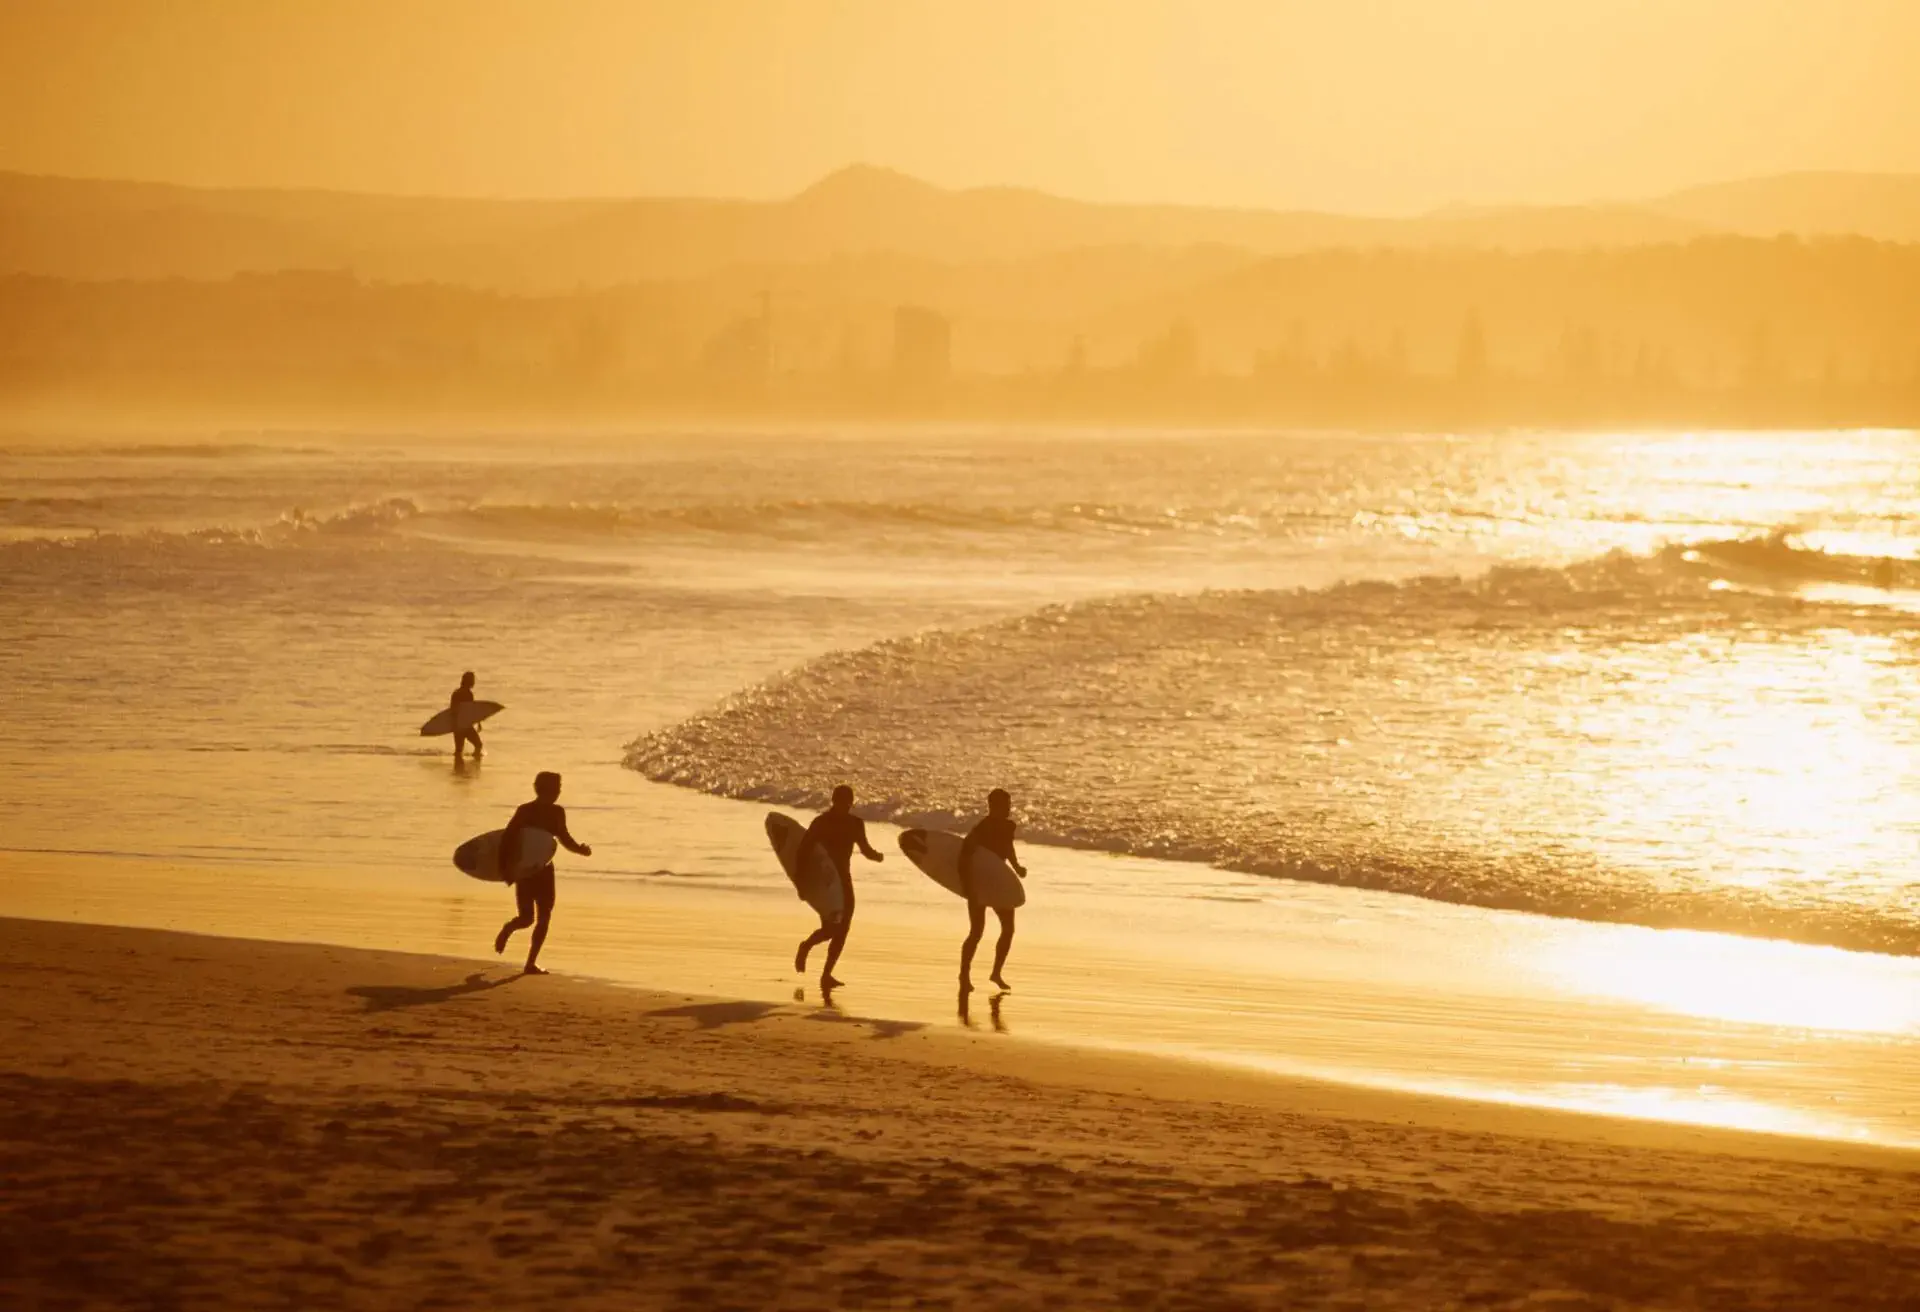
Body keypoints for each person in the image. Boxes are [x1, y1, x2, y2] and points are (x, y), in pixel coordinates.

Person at [493, 771, 591, 975]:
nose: (558, 792)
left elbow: (564, 838)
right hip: (525, 871)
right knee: (526, 919)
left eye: (559, 788)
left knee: (544, 917)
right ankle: (509, 928)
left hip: (545, 869)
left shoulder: (557, 812)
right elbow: (508, 839)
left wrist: (580, 849)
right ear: (543, 789)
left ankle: (530, 963)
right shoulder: (525, 811)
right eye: (556, 788)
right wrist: (506, 869)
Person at [792, 784, 883, 990]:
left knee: (843, 929)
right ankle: (806, 946)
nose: (845, 806)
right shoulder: (821, 823)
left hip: (844, 881)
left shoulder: (855, 824)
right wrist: (801, 882)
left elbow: (865, 849)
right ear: (834, 801)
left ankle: (826, 974)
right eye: (841, 802)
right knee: (831, 928)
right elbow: (803, 851)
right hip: (825, 883)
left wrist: (876, 856)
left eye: (848, 803)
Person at [958, 788, 1027, 993]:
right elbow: (965, 855)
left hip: (1000, 883)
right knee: (977, 931)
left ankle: (996, 972)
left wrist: (1016, 867)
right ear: (992, 807)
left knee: (1008, 930)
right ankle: (964, 974)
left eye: (1009, 804)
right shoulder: (982, 827)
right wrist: (968, 886)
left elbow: (1008, 848)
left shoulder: (1009, 826)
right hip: (979, 884)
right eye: (1005, 805)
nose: (1009, 809)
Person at [450, 671, 484, 761]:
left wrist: (478, 722)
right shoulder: (465, 694)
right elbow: (470, 710)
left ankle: (459, 768)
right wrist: (478, 722)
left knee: (459, 750)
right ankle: (474, 763)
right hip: (464, 726)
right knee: (478, 745)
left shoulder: (458, 693)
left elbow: (454, 710)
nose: (474, 682)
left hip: (458, 726)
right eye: (472, 680)